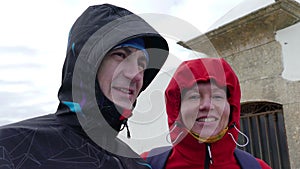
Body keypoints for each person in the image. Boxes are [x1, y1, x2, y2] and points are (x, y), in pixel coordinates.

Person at [0, 4, 168, 168]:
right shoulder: (9, 148)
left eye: (141, 63)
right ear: (85, 64)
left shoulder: (139, 164)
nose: (136, 74)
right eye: (120, 55)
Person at [142, 58, 271, 169]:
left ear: (231, 107)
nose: (207, 106)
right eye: (194, 97)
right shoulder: (142, 165)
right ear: (177, 110)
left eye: (217, 96)